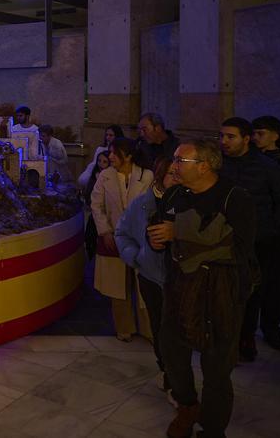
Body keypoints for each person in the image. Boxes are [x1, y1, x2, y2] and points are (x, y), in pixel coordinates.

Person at [148, 140, 256, 438]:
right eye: (175, 159)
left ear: (204, 166)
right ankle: (187, 405)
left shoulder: (235, 197)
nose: (174, 166)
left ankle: (212, 428)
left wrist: (179, 233)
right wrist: (155, 241)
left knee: (217, 366)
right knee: (171, 350)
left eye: (181, 160)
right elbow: (161, 228)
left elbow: (239, 248)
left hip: (220, 291)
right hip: (180, 286)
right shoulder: (175, 194)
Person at [218, 117, 280, 359]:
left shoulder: (268, 167)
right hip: (224, 238)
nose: (224, 141)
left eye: (231, 137)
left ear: (246, 139)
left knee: (252, 291)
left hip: (258, 240)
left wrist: (271, 232)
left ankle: (246, 336)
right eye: (222, 136)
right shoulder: (220, 164)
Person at [115, 156, 178, 396]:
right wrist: (138, 256)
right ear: (161, 176)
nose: (177, 177)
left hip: (181, 280)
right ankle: (167, 372)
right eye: (172, 173)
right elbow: (122, 233)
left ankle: (178, 379)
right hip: (152, 277)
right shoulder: (142, 204)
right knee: (160, 328)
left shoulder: (190, 204)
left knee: (177, 332)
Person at [91, 137, 154, 341]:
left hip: (141, 239)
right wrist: (105, 231)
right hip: (115, 239)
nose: (110, 157)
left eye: (114, 153)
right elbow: (96, 205)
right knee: (118, 285)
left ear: (127, 155)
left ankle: (148, 328)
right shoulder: (105, 176)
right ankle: (124, 327)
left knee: (145, 284)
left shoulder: (147, 176)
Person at [82, 151, 111, 260]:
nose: (101, 164)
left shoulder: (110, 178)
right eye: (99, 161)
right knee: (90, 239)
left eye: (105, 162)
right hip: (94, 215)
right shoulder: (94, 177)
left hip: (105, 216)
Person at [78, 125, 125, 189]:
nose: (107, 137)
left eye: (111, 135)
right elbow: (95, 164)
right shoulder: (100, 149)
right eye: (106, 135)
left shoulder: (121, 150)